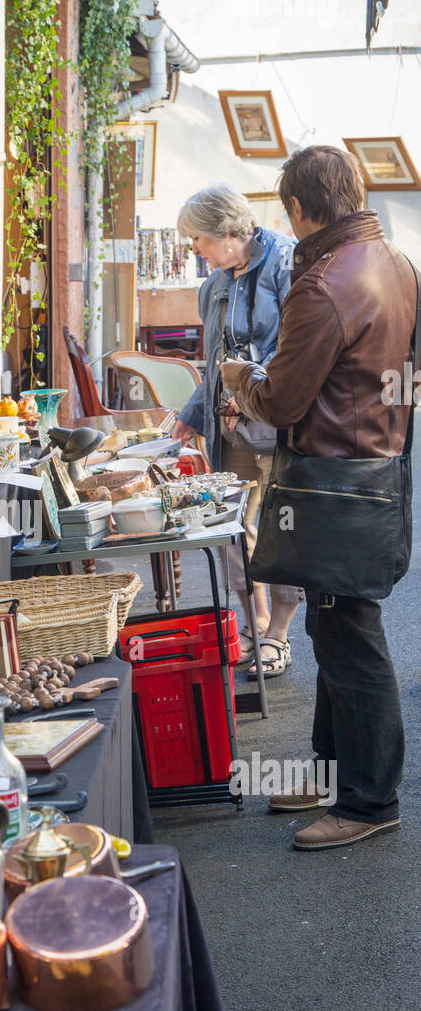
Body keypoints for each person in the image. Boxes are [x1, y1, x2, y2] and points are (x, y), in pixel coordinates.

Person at [222, 145, 415, 851]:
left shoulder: (326, 279)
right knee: (335, 630)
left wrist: (241, 374)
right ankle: (339, 778)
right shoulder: (393, 262)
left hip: (335, 482)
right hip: (376, 471)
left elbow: (281, 400)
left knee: (350, 638)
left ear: (300, 208)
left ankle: (369, 802)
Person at [176, 184, 303, 678]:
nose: (195, 250)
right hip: (230, 430)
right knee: (234, 530)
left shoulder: (284, 264)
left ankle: (279, 635)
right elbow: (212, 364)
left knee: (282, 526)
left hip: (272, 424)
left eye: (198, 239)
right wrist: (192, 411)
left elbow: (294, 345)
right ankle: (252, 624)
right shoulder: (214, 284)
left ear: (229, 232)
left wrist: (251, 388)